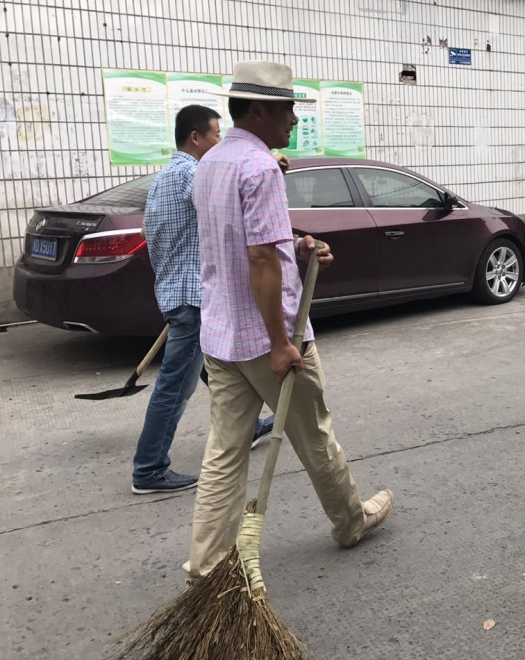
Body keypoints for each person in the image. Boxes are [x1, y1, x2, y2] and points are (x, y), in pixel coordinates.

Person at [185, 61, 393, 577]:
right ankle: (350, 521)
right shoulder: (258, 168)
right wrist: (280, 343)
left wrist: (294, 246)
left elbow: (246, 244)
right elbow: (257, 260)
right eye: (287, 108)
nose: (295, 120)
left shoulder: (210, 162)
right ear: (258, 109)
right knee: (315, 433)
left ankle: (207, 565)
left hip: (221, 334)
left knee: (224, 454)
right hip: (267, 337)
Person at [132, 105, 274, 495]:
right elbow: (234, 200)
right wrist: (267, 162)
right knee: (175, 385)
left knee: (217, 369)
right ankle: (149, 468)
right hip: (192, 297)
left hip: (177, 291)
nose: (220, 141)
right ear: (196, 137)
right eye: (215, 134)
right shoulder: (194, 175)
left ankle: (251, 424)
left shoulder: (164, 177)